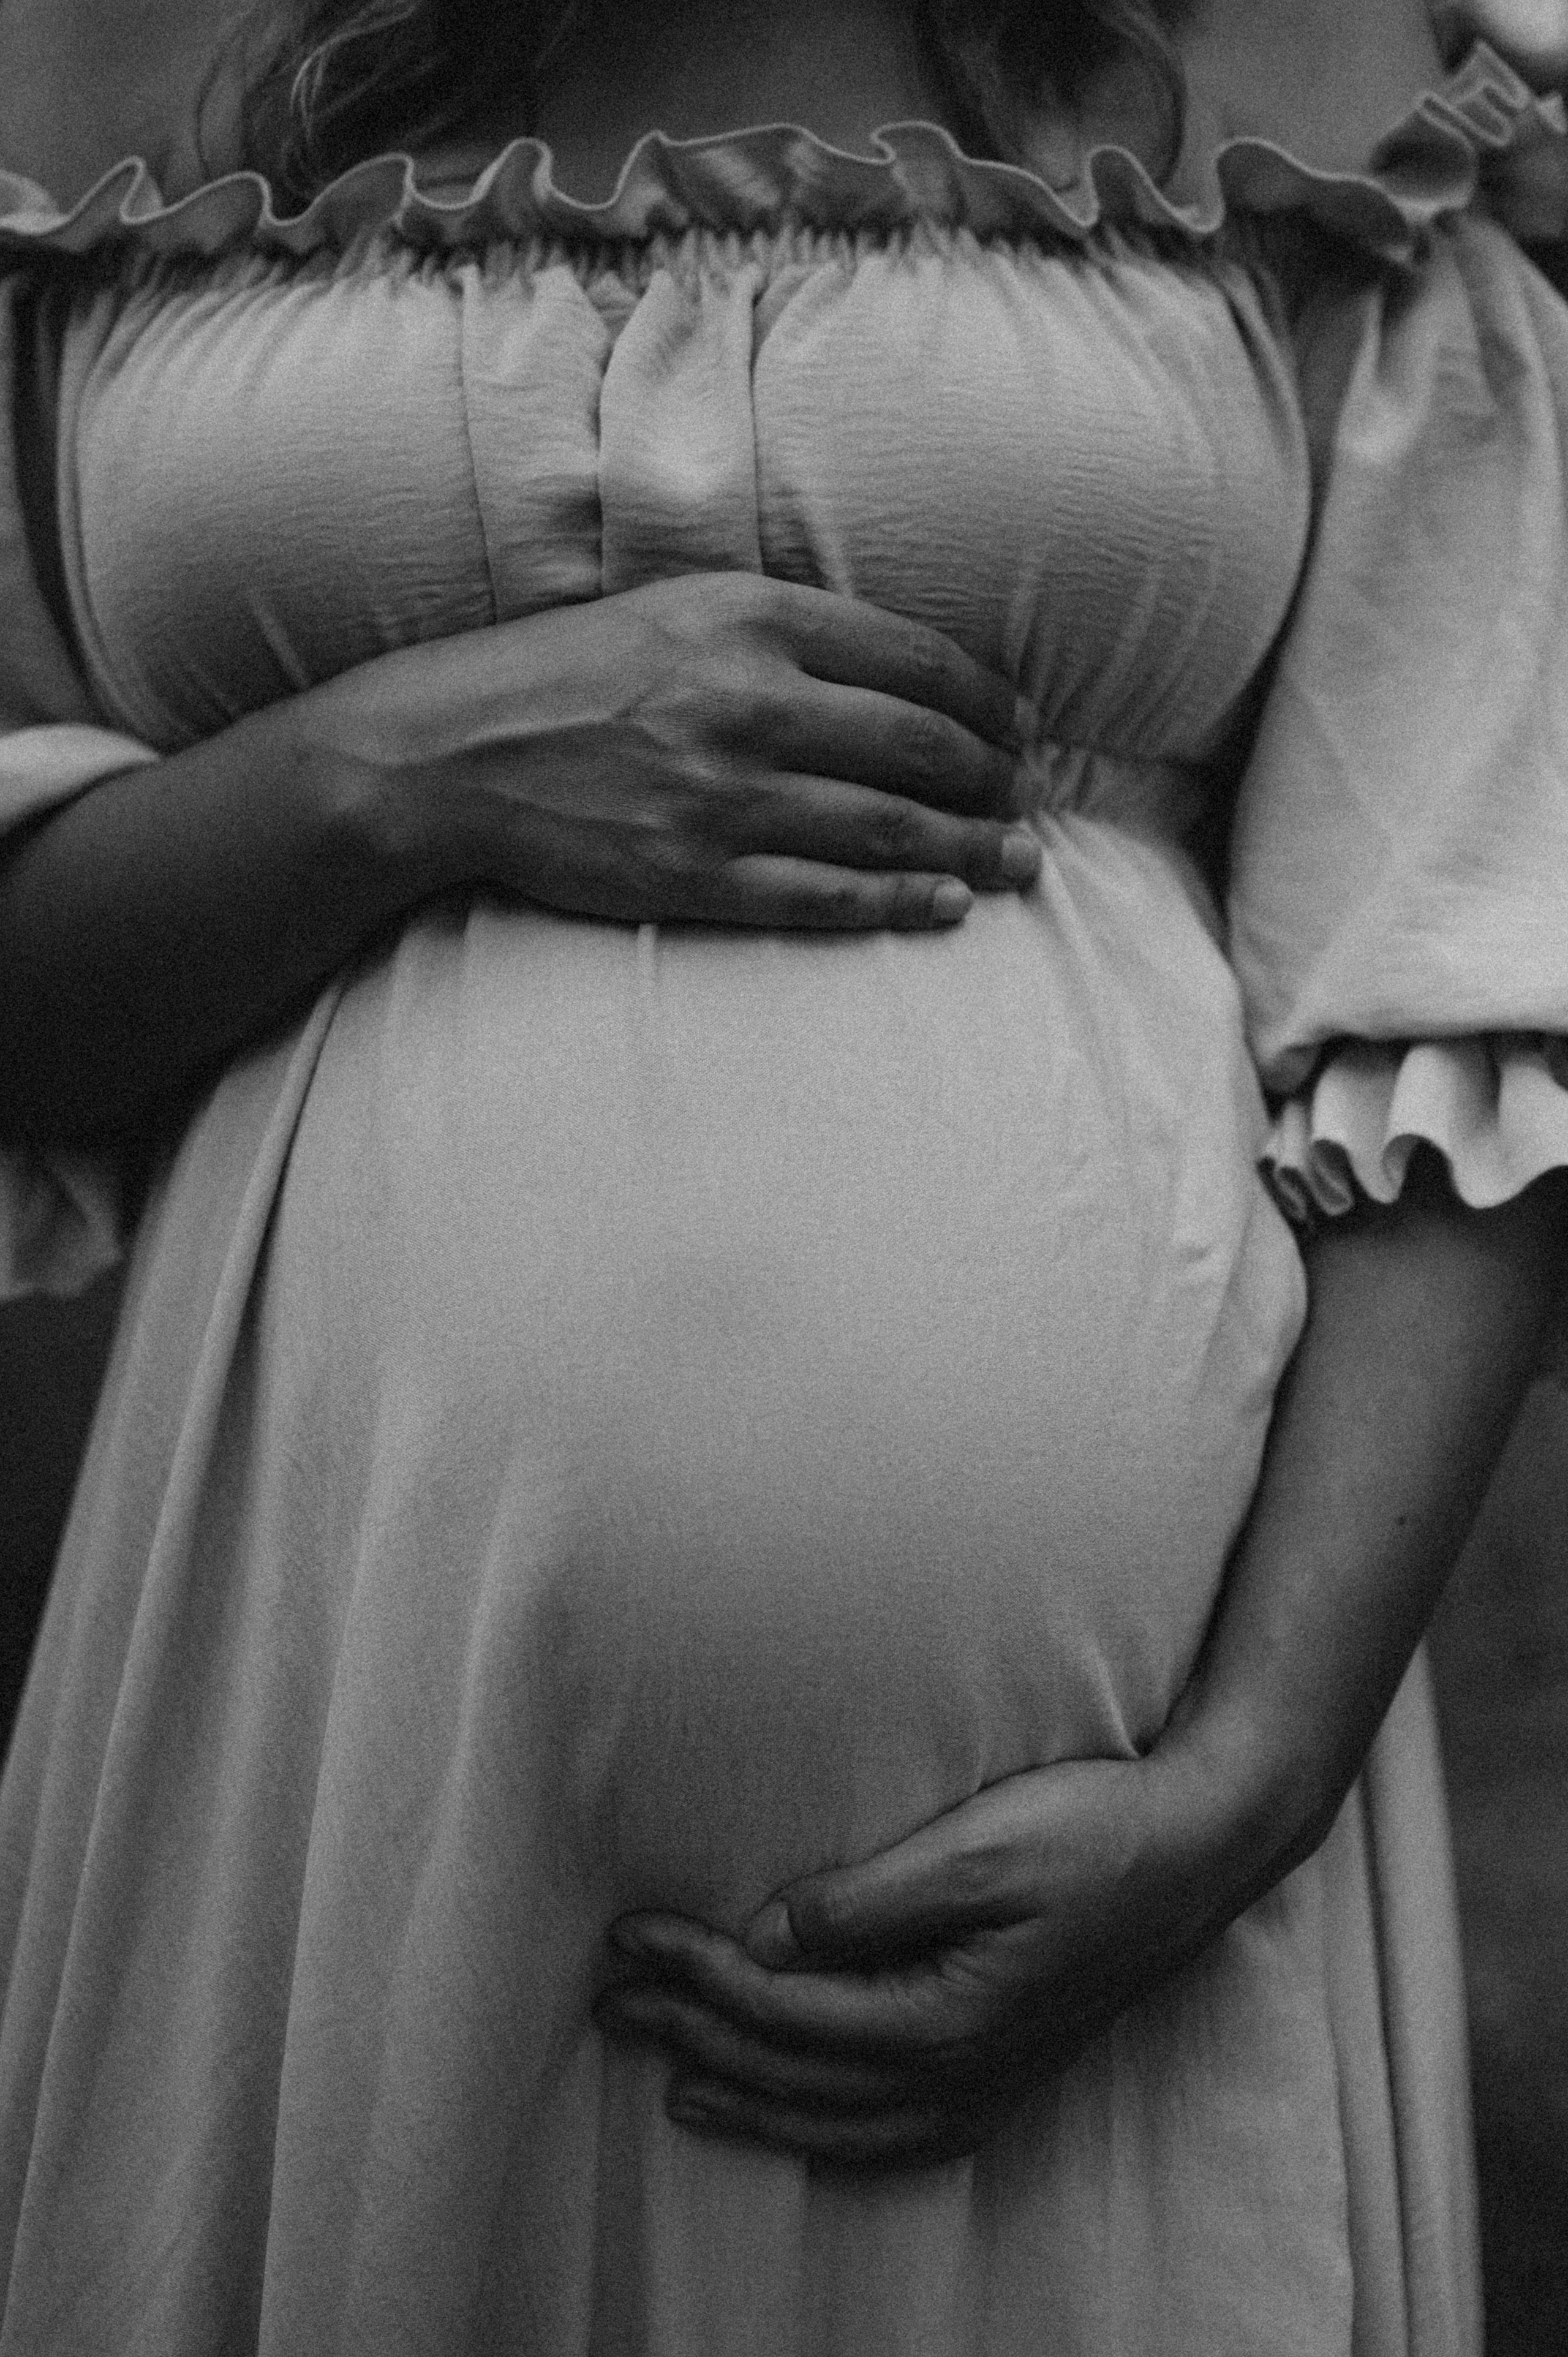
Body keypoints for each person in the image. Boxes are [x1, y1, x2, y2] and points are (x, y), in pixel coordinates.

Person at [1, 0, 1566, 2347]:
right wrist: (394, 777)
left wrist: (1252, 1780)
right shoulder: (79, 87)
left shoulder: (1323, 68)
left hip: (1122, 1862)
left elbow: (1471, 955)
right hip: (341, 1750)